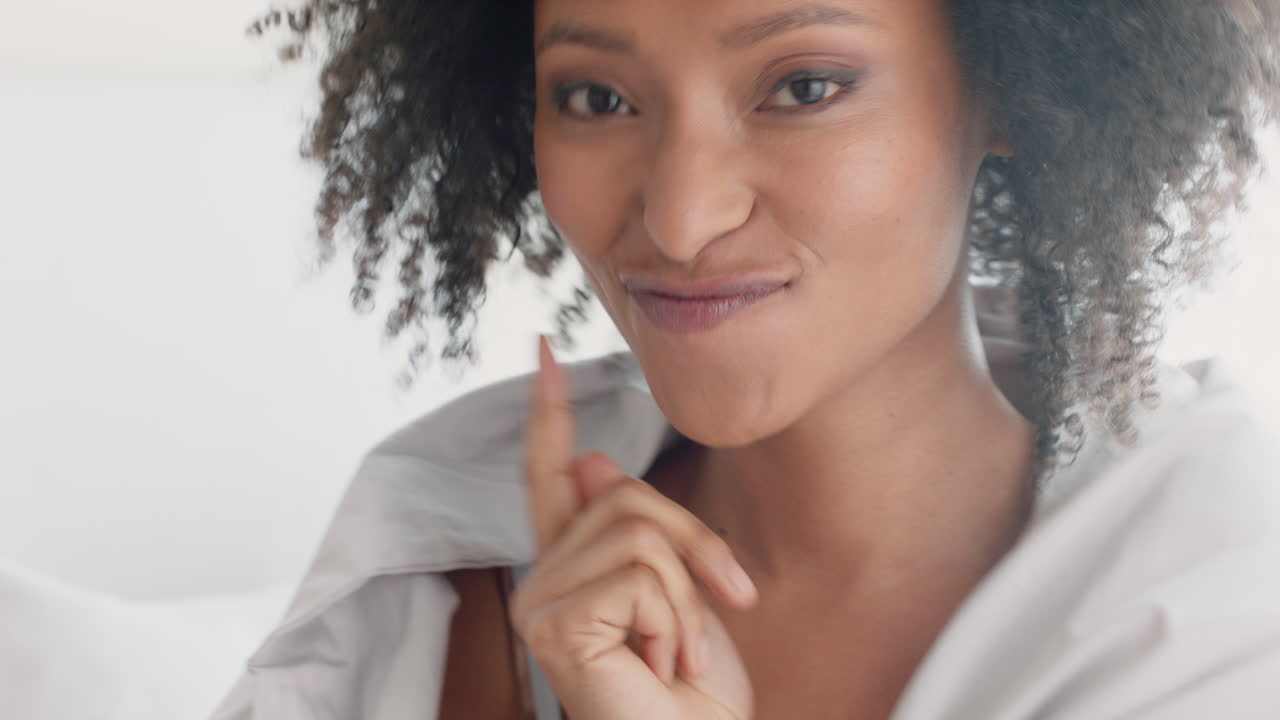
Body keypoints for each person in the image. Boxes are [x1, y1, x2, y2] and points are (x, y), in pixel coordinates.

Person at [215, 1, 1280, 718]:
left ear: (1006, 85)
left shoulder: (1217, 610)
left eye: (804, 86)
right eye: (595, 97)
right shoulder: (439, 572)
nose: (680, 220)